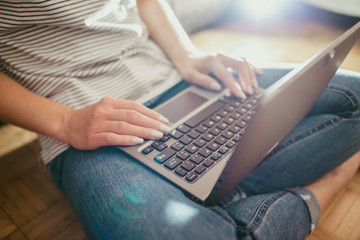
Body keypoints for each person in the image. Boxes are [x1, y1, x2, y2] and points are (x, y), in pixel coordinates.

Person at [1, 0, 360, 239]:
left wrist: (187, 54)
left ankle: (217, 183)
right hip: (87, 125)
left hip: (179, 79)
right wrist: (67, 123)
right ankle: (323, 184)